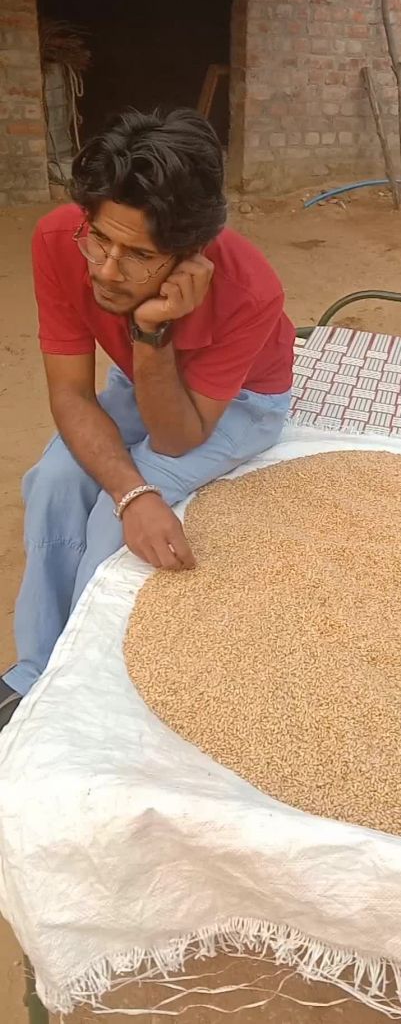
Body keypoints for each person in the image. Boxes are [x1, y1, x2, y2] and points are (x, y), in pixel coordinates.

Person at [0, 108, 295, 729]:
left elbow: (178, 437)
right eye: (100, 240)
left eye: (139, 255)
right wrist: (131, 489)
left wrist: (151, 330)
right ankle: (36, 672)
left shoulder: (252, 290)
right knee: (54, 481)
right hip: (141, 380)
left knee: (114, 528)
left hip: (242, 401)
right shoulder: (58, 240)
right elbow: (70, 394)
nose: (106, 270)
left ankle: (83, 685)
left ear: (191, 256)